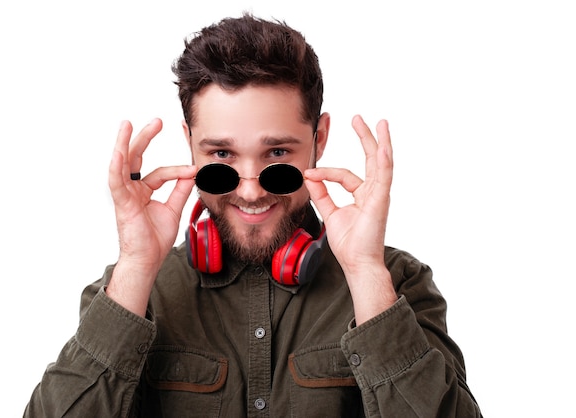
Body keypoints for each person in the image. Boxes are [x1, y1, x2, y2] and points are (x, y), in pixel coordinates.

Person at [24, 13, 482, 417]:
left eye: (277, 154)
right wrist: (137, 266)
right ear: (190, 144)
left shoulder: (396, 283)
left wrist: (365, 275)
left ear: (319, 139)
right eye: (222, 155)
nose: (249, 187)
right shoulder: (129, 290)